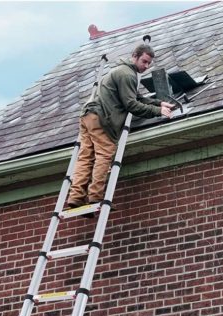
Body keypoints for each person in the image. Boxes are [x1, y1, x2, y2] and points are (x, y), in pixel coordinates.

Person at [67, 44, 174, 208]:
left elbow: (137, 97)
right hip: (102, 118)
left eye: (148, 64)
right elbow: (131, 104)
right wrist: (158, 111)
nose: (145, 67)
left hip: (88, 115)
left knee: (86, 157)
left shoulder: (120, 71)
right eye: (144, 62)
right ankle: (95, 196)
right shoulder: (127, 75)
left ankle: (75, 197)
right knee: (104, 155)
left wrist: (159, 103)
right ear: (135, 56)